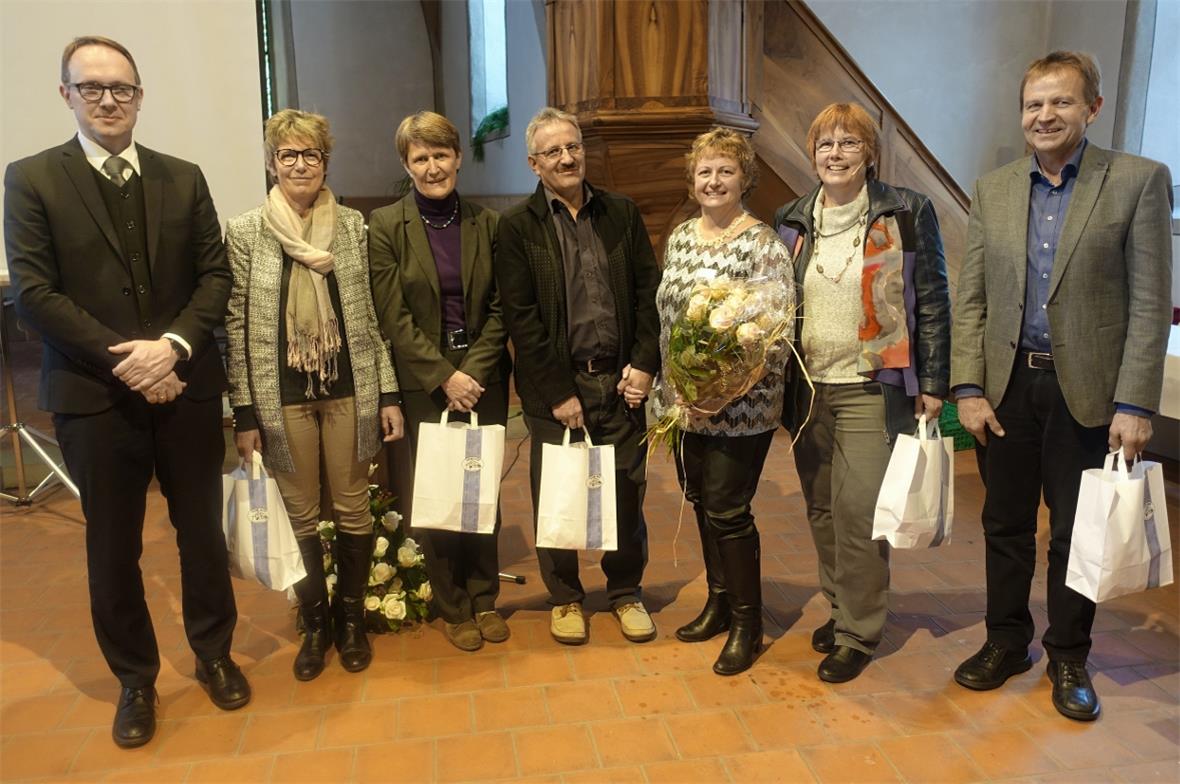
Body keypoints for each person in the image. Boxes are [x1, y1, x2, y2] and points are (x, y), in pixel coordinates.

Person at [4, 36, 250, 747]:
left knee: (202, 533)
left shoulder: (184, 176)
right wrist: (132, 361)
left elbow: (215, 277)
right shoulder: (32, 179)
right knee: (113, 548)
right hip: (94, 397)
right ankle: (136, 679)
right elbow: (34, 294)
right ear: (66, 95)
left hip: (187, 388)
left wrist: (172, 348)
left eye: (121, 88)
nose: (108, 100)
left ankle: (214, 652)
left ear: (140, 96)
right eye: (92, 87)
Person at [950, 51, 1172, 721]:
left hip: (1089, 392)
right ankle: (1005, 642)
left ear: (1092, 108)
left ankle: (1069, 655)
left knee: (1076, 531)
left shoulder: (1137, 181)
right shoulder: (994, 188)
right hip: (1008, 386)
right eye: (1033, 104)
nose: (1044, 115)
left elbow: (1149, 302)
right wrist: (968, 386)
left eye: (1061, 102)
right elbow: (972, 298)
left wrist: (1134, 402)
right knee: (1004, 523)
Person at [225, 109, 404, 681]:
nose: (300, 165)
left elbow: (371, 314)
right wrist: (244, 412)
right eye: (288, 155)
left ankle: (351, 620)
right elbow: (236, 324)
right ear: (272, 162)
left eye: (311, 155)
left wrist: (388, 393)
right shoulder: (246, 230)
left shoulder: (352, 226)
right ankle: (316, 623)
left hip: (351, 387)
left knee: (352, 507)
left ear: (326, 162)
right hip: (281, 395)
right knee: (299, 512)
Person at [775, 102, 951, 683]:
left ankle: (859, 631)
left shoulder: (905, 211)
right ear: (812, 153)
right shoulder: (792, 217)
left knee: (858, 512)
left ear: (870, 152)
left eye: (849, 143)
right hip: (807, 387)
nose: (836, 154)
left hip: (870, 384)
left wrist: (933, 382)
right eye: (825, 144)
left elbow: (933, 298)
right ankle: (839, 607)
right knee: (822, 508)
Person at [495, 107, 661, 645]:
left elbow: (648, 293)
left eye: (574, 147)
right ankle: (565, 597)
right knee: (559, 495)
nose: (567, 158)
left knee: (627, 494)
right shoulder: (517, 227)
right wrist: (559, 393)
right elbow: (523, 320)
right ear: (534, 163)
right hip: (558, 387)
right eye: (554, 152)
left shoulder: (621, 212)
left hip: (621, 382)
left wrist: (644, 364)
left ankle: (625, 591)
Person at [368, 111, 511, 652]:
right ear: (407, 165)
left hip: (482, 375)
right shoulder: (387, 226)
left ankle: (485, 597)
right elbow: (393, 314)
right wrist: (444, 376)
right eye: (420, 158)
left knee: (481, 488)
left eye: (441, 155)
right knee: (439, 492)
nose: (432, 167)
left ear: (457, 158)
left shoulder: (487, 223)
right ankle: (453, 605)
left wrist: (473, 371)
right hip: (426, 380)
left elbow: (501, 308)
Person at [654, 128, 794, 675]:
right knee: (700, 501)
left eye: (725, 171)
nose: (713, 181)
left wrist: (721, 392)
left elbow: (774, 334)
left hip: (742, 408)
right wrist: (685, 390)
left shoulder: (763, 244)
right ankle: (718, 602)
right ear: (693, 180)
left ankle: (747, 623)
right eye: (704, 172)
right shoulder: (681, 236)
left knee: (729, 510)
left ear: (744, 179)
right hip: (685, 404)